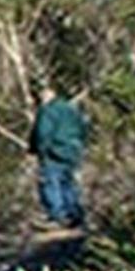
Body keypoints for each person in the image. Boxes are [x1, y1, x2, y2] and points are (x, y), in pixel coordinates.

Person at [29, 84, 89, 228]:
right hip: (73, 151)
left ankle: (57, 216)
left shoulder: (48, 110)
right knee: (68, 182)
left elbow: (42, 133)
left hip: (53, 152)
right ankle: (74, 214)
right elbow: (83, 129)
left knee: (50, 182)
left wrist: (38, 150)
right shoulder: (71, 109)